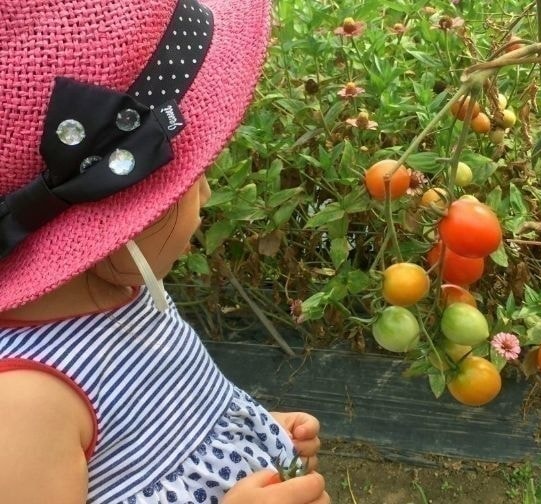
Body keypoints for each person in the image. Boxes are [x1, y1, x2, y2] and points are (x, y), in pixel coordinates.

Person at [0, 0, 328, 503]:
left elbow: (167, 420)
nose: (207, 194)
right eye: (190, 179)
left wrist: (254, 435)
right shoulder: (25, 403)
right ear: (113, 206)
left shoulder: (125, 288)